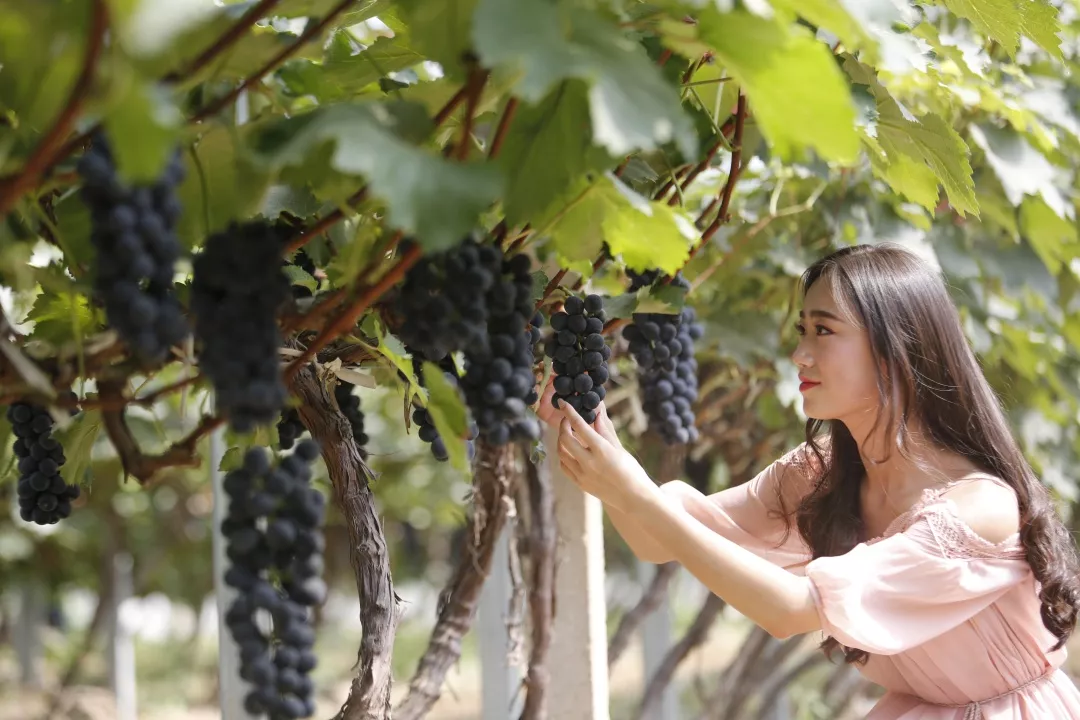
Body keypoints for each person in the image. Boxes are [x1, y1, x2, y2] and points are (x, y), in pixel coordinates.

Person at [539, 243, 1080, 719]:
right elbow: (657, 537)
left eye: (824, 330)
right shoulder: (822, 472)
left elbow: (791, 610)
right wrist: (596, 443)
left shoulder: (978, 510)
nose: (800, 354)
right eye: (802, 331)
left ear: (899, 348)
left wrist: (631, 489)